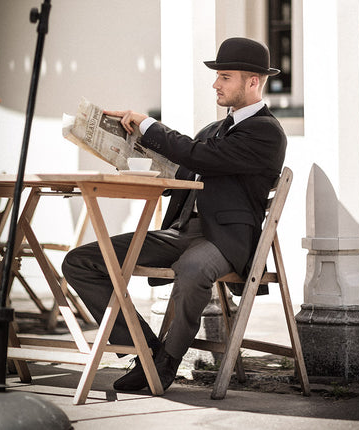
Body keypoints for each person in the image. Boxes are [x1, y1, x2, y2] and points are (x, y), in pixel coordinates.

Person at [62, 37, 287, 393]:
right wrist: (125, 155)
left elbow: (201, 157)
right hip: (182, 233)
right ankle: (147, 351)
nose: (216, 84)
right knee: (81, 261)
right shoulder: (212, 132)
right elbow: (179, 176)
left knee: (192, 268)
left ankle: (167, 363)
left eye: (225, 77)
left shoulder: (266, 131)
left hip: (225, 239)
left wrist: (151, 126)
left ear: (253, 81)